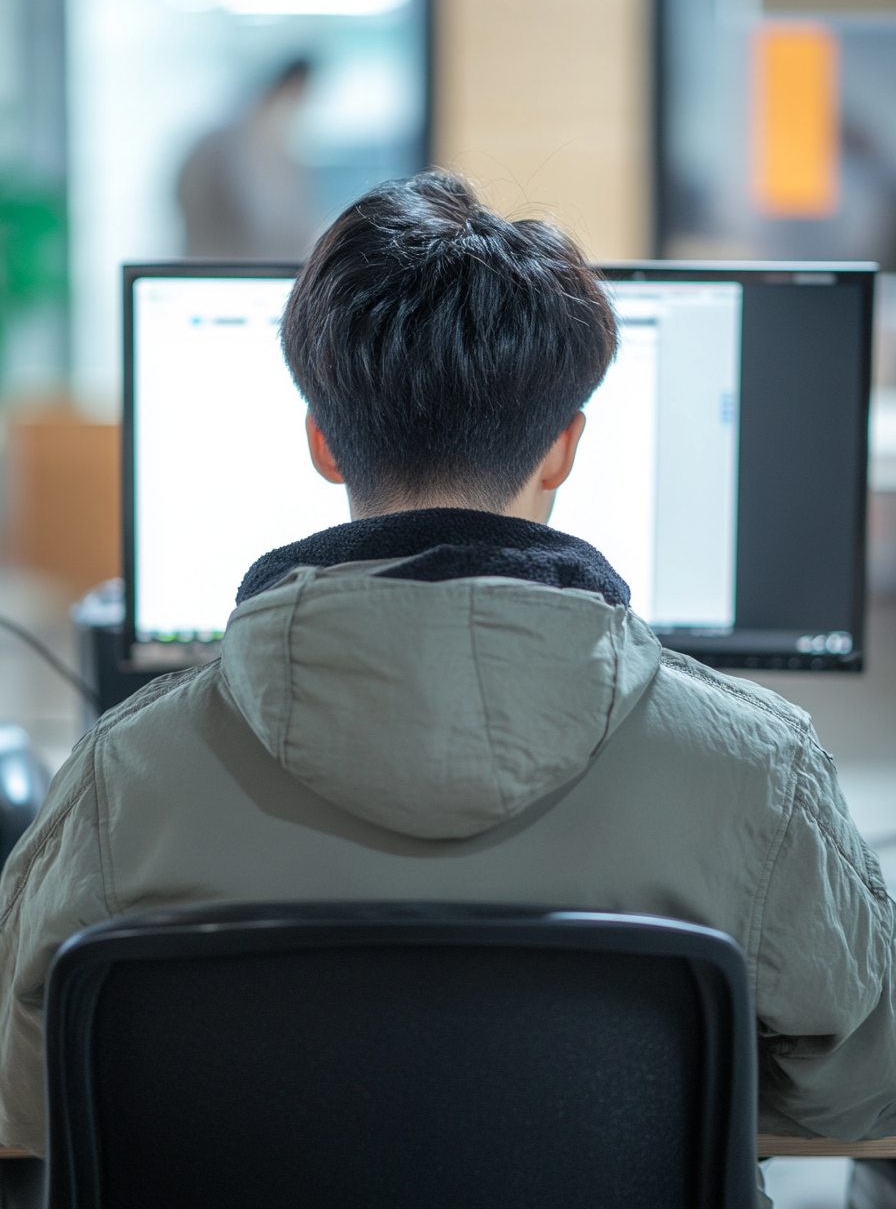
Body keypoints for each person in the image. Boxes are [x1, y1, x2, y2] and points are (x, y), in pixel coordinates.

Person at [0, 172, 895, 1208]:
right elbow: (858, 1097)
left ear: (322, 441)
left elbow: (27, 1103)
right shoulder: (757, 773)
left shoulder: (125, 777)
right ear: (564, 447)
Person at [177, 58, 315, 261]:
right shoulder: (233, 142)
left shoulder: (268, 143)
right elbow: (266, 219)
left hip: (238, 266)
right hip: (230, 267)